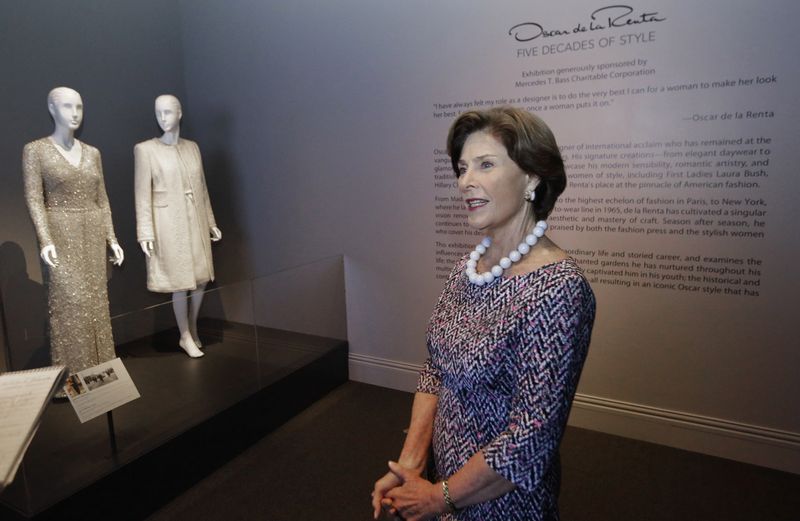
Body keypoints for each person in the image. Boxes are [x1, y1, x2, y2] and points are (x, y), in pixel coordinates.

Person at [371, 107, 596, 520]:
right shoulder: (468, 268)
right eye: (461, 168)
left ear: (531, 177)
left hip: (501, 504)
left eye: (485, 165)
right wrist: (410, 465)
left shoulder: (558, 288)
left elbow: (532, 437)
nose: (465, 182)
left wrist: (439, 497)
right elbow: (435, 367)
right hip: (442, 483)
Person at [22, 87, 124, 378]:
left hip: (92, 231)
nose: (75, 113)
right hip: (60, 232)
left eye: (79, 106)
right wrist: (45, 239)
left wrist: (112, 239)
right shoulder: (36, 150)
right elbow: (34, 198)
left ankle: (102, 372)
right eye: (67, 106)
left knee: (96, 300)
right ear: (52, 109)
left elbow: (102, 199)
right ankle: (72, 378)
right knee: (68, 303)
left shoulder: (93, 153)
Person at [134, 95, 221, 358]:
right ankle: (184, 335)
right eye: (158, 113)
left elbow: (202, 188)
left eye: (168, 112)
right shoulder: (146, 149)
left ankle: (192, 327)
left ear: (180, 113)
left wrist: (210, 222)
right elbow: (142, 195)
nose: (163, 118)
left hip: (194, 217)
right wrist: (145, 232)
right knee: (180, 281)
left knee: (201, 279)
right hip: (168, 221)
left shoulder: (192, 148)